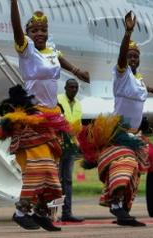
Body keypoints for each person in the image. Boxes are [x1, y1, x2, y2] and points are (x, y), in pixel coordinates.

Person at [0, 0, 90, 233]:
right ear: (28, 34)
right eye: (35, 30)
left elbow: (59, 58)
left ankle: (41, 212)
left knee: (51, 172)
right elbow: (16, 28)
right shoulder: (26, 50)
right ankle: (20, 211)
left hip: (51, 117)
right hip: (32, 116)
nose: (39, 34)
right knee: (40, 167)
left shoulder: (50, 51)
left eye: (43, 30)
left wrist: (77, 71)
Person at [77, 11, 150, 227]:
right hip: (120, 133)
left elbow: (138, 97)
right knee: (124, 164)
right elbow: (122, 59)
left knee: (134, 173)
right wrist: (127, 34)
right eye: (129, 56)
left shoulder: (138, 79)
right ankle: (116, 204)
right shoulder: (122, 74)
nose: (132, 59)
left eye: (135, 56)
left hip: (135, 135)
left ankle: (123, 210)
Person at [57, 79, 84, 222]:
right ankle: (51, 213)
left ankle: (67, 212)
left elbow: (77, 126)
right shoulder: (58, 100)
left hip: (71, 147)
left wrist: (77, 144)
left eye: (76, 87)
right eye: (71, 87)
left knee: (67, 180)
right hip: (58, 145)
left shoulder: (79, 104)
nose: (73, 89)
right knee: (55, 179)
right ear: (65, 87)